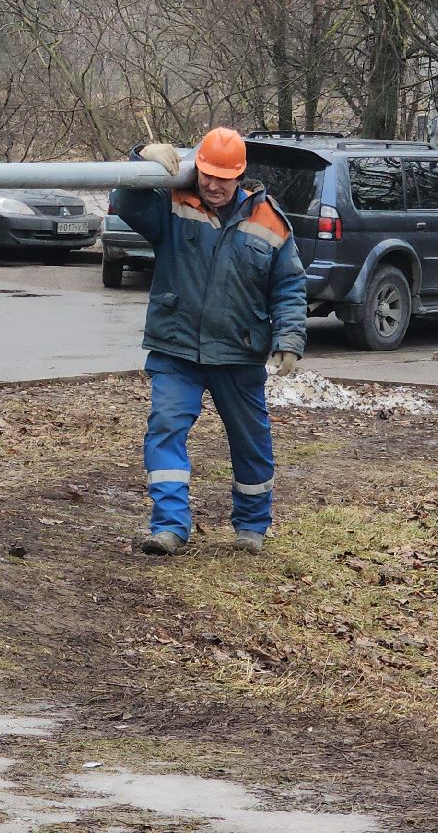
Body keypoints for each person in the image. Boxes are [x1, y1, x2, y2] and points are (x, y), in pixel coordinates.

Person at [110, 126, 307, 555]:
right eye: (206, 173)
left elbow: (289, 285)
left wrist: (290, 337)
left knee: (250, 439)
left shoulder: (268, 219)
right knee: (165, 429)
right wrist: (141, 158)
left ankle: (252, 525)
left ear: (241, 175)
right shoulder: (173, 204)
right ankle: (169, 527)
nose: (213, 185)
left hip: (238, 351)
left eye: (224, 176)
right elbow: (124, 201)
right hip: (176, 347)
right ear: (196, 167)